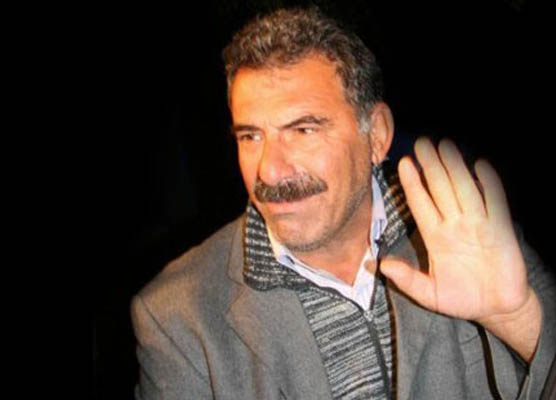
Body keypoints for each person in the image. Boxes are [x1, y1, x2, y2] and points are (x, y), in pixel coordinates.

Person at [131, 7, 555, 399]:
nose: (270, 171)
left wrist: (517, 318)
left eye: (303, 130)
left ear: (377, 135)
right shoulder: (177, 316)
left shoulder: (469, 232)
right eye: (251, 136)